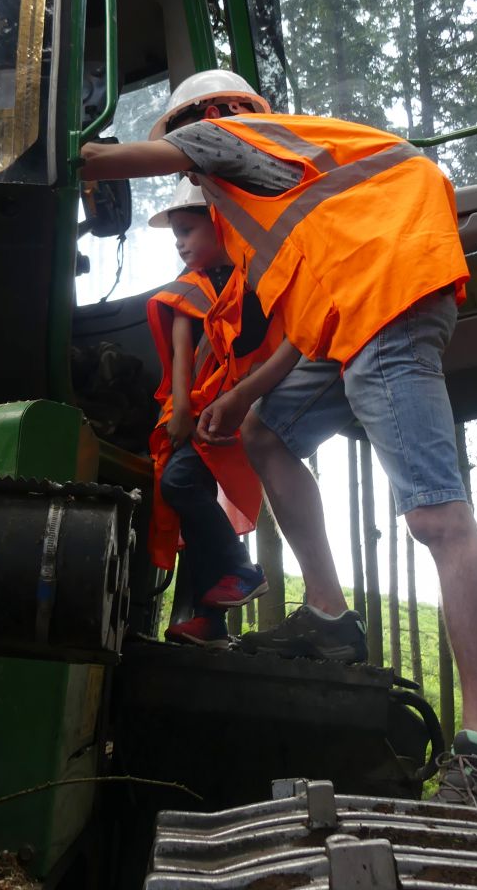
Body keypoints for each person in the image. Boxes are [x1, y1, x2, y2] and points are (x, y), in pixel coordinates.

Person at [80, 69, 477, 807]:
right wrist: (240, 395)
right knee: (264, 434)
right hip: (350, 310)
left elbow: (106, 162)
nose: (187, 165)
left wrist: (58, 153)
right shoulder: (266, 202)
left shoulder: (237, 137)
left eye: (185, 141)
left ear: (209, 117)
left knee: (437, 517)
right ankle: (329, 617)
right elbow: (299, 332)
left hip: (385, 293)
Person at [146, 176, 298, 647]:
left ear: (218, 224)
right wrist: (180, 414)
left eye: (189, 230)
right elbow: (181, 355)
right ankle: (211, 622)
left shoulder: (255, 278)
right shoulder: (185, 291)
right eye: (176, 234)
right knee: (189, 498)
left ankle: (240, 568)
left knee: (181, 485)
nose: (180, 243)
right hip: (197, 414)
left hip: (244, 410)